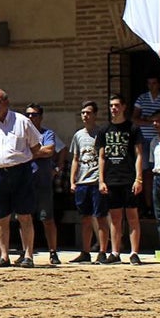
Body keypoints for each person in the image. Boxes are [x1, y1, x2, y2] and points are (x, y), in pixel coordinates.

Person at [0, 89, 42, 268]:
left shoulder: (22, 121)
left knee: (24, 215)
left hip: (21, 172)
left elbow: (36, 147)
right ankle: (4, 256)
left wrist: (20, 162)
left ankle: (28, 256)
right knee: (0, 217)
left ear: (6, 102)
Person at [97, 94, 145, 265]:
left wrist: (138, 179)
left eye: (117, 105)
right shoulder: (104, 130)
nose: (113, 108)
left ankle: (134, 252)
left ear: (124, 107)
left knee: (132, 216)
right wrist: (101, 180)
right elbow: (101, 157)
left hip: (129, 178)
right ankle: (115, 252)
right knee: (115, 218)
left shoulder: (133, 128)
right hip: (111, 178)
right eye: (111, 105)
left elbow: (139, 154)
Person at [70, 101, 110, 264]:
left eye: (88, 112)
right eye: (83, 113)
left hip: (96, 181)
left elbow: (103, 157)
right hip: (82, 181)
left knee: (100, 217)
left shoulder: (101, 133)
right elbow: (75, 158)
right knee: (85, 218)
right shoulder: (78, 135)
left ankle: (102, 251)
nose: (85, 115)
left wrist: (102, 179)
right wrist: (72, 180)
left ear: (95, 114)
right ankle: (85, 251)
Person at [25, 104, 61, 266]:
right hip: (25, 182)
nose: (31, 117)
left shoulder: (48, 133)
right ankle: (27, 253)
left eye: (34, 114)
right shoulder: (22, 136)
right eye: (28, 115)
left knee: (47, 219)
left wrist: (29, 153)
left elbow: (50, 151)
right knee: (25, 219)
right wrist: (37, 152)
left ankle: (53, 252)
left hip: (43, 183)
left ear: (41, 116)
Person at [133, 74, 160, 217]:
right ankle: (148, 206)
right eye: (149, 83)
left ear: (159, 84)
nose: (151, 86)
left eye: (154, 82)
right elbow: (134, 118)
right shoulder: (142, 98)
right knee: (146, 173)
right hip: (145, 139)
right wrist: (149, 121)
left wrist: (152, 119)